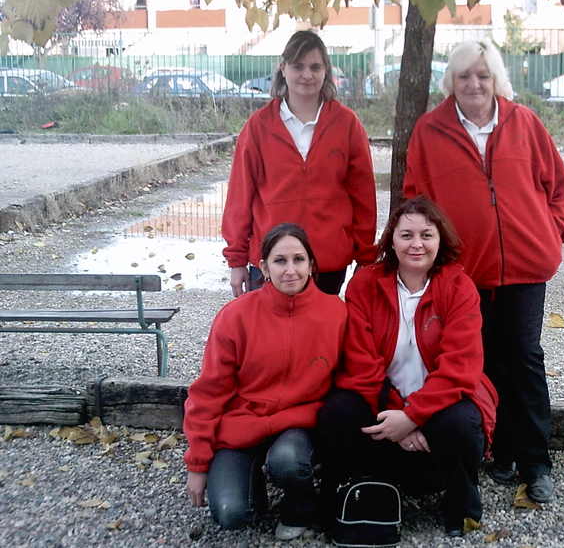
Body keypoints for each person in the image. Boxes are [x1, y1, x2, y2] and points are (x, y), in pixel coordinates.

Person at [403, 40, 564, 504]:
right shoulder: (430, 131)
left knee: (523, 357)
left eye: (482, 75)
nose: (474, 84)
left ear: (495, 78)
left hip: (524, 267)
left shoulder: (525, 123)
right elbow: (415, 197)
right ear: (450, 83)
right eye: (464, 76)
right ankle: (497, 452)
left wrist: (549, 233)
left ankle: (535, 460)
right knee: (478, 362)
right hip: (463, 270)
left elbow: (558, 186)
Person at [317, 196, 498, 537]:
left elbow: (460, 367)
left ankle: (459, 500)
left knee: (462, 421)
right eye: (406, 235)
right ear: (392, 240)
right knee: (337, 411)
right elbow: (361, 363)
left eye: (426, 235)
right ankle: (337, 498)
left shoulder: (459, 287)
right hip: (384, 405)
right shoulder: (365, 284)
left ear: (440, 239)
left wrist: (413, 416)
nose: (417, 244)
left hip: (438, 407)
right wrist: (400, 417)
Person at [184, 223, 346, 541]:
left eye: (299, 260)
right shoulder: (235, 316)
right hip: (241, 425)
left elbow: (348, 382)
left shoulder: (336, 313)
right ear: (264, 268)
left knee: (287, 460)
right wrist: (198, 462)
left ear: (312, 266)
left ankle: (301, 504)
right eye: (280, 261)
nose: (290, 270)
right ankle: (251, 481)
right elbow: (208, 391)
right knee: (231, 514)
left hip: (297, 425)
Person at [222, 30, 377, 297]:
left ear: (326, 71)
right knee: (271, 338)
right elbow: (240, 195)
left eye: (315, 67)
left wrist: (364, 257)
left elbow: (363, 196)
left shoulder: (347, 124)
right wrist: (236, 260)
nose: (307, 75)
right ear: (283, 69)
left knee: (322, 338)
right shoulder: (259, 127)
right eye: (298, 66)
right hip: (273, 262)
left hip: (327, 263)